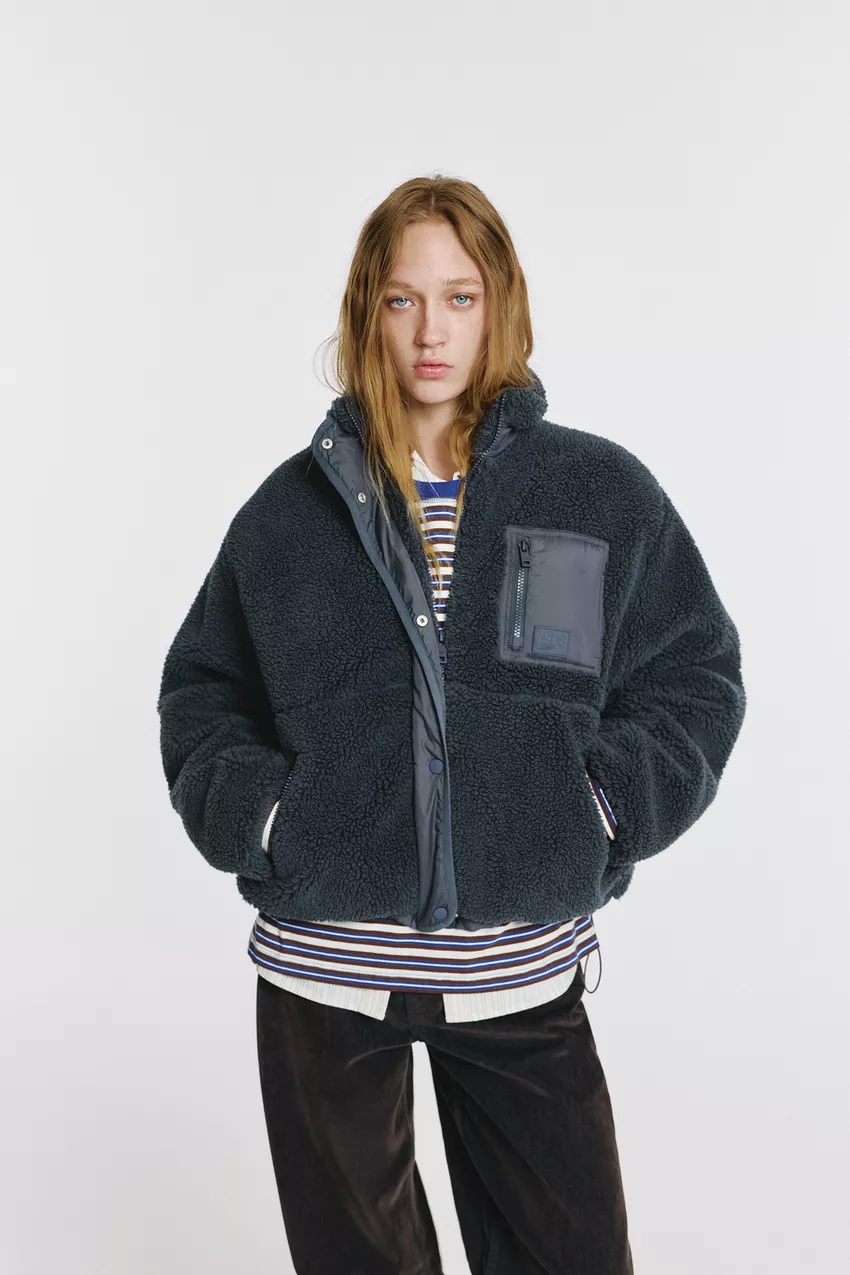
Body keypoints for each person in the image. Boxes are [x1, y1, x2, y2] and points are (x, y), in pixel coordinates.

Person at [157, 174, 746, 1275]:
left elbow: (696, 676)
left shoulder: (596, 493)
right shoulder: (288, 515)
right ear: (366, 313)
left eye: (459, 297)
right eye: (403, 298)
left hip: (520, 967)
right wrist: (271, 819)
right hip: (323, 973)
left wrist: (602, 806)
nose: (431, 331)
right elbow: (201, 693)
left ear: (498, 306)